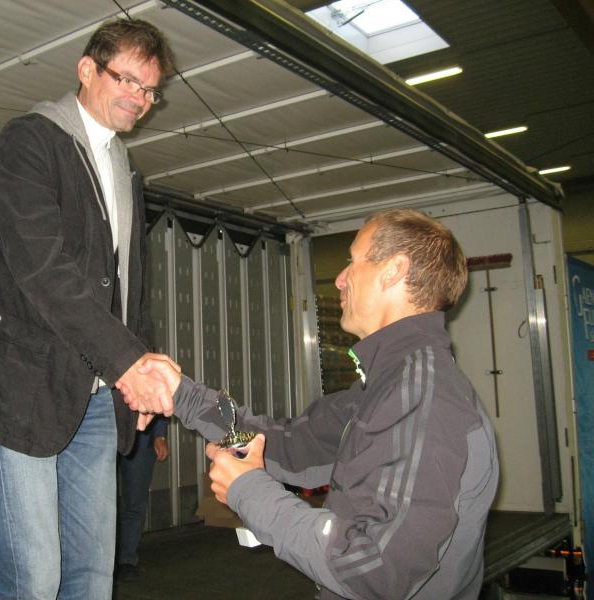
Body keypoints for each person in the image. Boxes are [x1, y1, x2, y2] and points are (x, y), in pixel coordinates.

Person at [132, 208, 500, 599]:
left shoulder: (422, 396)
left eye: (353, 261)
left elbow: (376, 568)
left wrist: (250, 491)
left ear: (394, 271)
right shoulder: (388, 386)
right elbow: (289, 445)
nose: (340, 279)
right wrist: (182, 394)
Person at [0, 19, 176, 600]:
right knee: (34, 575)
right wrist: (131, 365)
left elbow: (131, 291)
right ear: (86, 69)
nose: (140, 99)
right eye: (127, 80)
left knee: (92, 573)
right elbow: (42, 271)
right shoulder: (30, 141)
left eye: (150, 91)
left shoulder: (124, 167)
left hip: (96, 397)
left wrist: (136, 375)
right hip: (23, 386)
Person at [116, 416, 169, 580]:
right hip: (105, 435)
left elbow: (158, 400)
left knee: (135, 501)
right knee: (101, 504)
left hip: (141, 438)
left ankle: (127, 561)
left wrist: (160, 435)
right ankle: (101, 560)